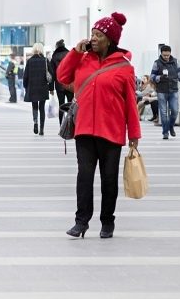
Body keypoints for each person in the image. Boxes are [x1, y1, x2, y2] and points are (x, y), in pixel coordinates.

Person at [56, 13, 141, 239]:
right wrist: (75, 52)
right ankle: (81, 221)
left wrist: (134, 133)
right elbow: (62, 76)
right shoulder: (83, 59)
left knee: (108, 179)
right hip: (83, 129)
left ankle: (107, 222)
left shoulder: (124, 67)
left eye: (99, 35)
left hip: (111, 132)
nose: (93, 38)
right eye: (92, 34)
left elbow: (131, 103)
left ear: (110, 40)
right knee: (84, 176)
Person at [151, 45, 180, 139]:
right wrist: (160, 77)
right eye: (164, 55)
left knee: (175, 111)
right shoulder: (157, 63)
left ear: (170, 53)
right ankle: (165, 132)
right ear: (161, 53)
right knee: (163, 113)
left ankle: (171, 126)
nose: (166, 57)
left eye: (168, 55)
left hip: (173, 90)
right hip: (161, 91)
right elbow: (152, 76)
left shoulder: (175, 62)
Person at [23, 42, 55, 136]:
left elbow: (25, 76)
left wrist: (26, 87)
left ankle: (35, 122)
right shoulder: (45, 60)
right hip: (43, 87)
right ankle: (41, 129)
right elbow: (51, 75)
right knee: (42, 108)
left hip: (32, 87)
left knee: (35, 106)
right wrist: (51, 88)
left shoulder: (29, 61)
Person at [51, 39, 73, 121]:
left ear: (56, 47)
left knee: (61, 104)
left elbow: (52, 73)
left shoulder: (54, 57)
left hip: (59, 84)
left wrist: (51, 88)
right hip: (70, 84)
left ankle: (61, 124)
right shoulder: (69, 55)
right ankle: (70, 123)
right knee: (71, 104)